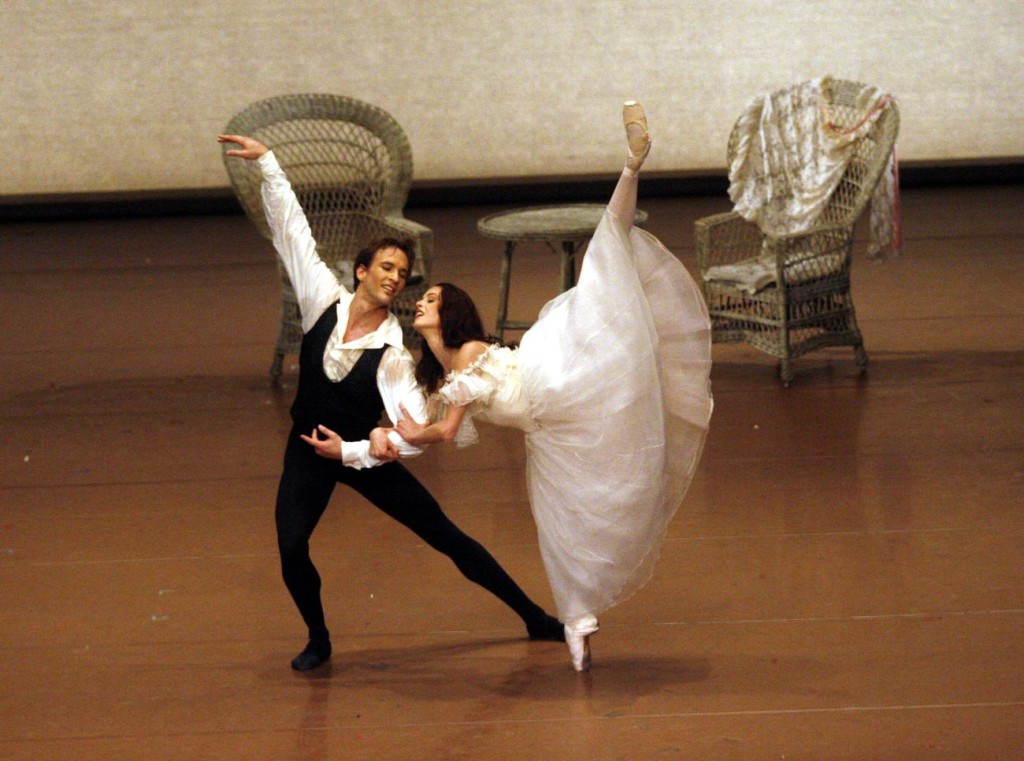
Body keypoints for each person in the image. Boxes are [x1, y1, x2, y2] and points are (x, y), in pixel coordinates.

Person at [217, 133, 564, 672]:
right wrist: (269, 165)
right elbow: (293, 233)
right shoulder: (320, 302)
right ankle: (319, 638)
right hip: (306, 451)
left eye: (403, 274)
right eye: (386, 267)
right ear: (361, 271)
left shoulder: (392, 352)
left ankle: (535, 617)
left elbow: (415, 432)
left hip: (362, 456)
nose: (396, 278)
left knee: (446, 537)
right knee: (291, 547)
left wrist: (353, 450)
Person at [391, 102, 714, 671]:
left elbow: (444, 428)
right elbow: (428, 421)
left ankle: (631, 167)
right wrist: (388, 435)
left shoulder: (467, 357)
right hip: (547, 428)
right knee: (569, 523)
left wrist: (419, 431)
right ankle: (579, 619)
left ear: (453, 313)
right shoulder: (440, 375)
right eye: (421, 299)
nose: (421, 303)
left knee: (603, 272)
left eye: (432, 300)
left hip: (554, 374)